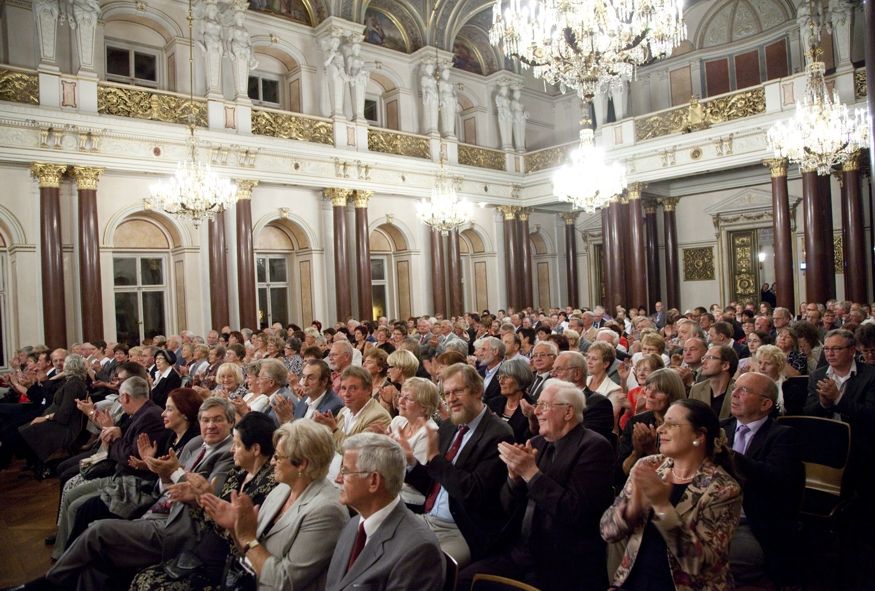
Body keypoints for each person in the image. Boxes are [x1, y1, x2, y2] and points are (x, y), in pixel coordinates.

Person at [36, 397, 236, 590]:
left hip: (181, 528)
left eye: (217, 420)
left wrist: (173, 472)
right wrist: (162, 472)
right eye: (205, 420)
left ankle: (49, 583)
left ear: (231, 422)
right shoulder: (195, 443)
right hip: (157, 510)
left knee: (98, 530)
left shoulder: (229, 453)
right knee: (94, 564)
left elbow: (208, 499)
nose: (210, 425)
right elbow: (163, 488)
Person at [459, 379, 614, 590]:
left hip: (562, 560)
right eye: (537, 404)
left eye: (544, 405)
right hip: (521, 551)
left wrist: (530, 473)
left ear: (568, 412)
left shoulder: (594, 447)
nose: (536, 411)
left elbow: (576, 511)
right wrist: (514, 478)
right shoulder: (538, 444)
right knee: (462, 580)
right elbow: (507, 506)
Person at [601, 399, 743, 591]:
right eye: (662, 423)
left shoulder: (724, 489)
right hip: (635, 582)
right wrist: (634, 506)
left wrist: (662, 506)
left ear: (699, 436)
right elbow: (608, 532)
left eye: (672, 424)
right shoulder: (649, 466)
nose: (660, 430)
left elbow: (699, 565)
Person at [130, 411, 278, 590]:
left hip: (228, 566)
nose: (232, 449)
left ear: (255, 449)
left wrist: (207, 498)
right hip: (203, 551)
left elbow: (242, 536)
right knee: (143, 577)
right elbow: (210, 519)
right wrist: (196, 499)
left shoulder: (268, 486)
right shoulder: (237, 474)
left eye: (237, 445)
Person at [403, 363, 513, 567]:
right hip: (427, 518)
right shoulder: (449, 427)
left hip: (461, 530)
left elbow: (472, 493)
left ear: (478, 391)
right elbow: (431, 485)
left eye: (458, 391)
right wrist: (410, 461)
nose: (451, 399)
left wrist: (435, 459)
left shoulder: (499, 433)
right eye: (447, 393)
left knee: (421, 568)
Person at [326, 433, 445, 591]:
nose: (338, 479)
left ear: (373, 481)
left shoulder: (418, 550)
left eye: (345, 472)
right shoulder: (353, 525)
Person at [724, 372, 804, 587]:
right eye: (735, 388)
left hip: (752, 523)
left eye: (744, 390)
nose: (735, 394)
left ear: (766, 403)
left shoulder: (783, 436)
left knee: (704, 558)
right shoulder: (722, 428)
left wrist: (728, 455)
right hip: (714, 516)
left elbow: (774, 478)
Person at [14, 353, 90, 475]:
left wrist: (45, 418)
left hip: (65, 427)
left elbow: (65, 413)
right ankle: (36, 465)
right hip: (60, 421)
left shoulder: (74, 384)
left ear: (69, 366)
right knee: (21, 430)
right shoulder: (71, 381)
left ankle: (41, 468)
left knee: (21, 433)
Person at [616, 368, 686, 488]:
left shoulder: (684, 427)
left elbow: (676, 477)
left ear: (673, 395)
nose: (649, 394)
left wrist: (650, 451)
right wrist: (636, 452)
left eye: (658, 391)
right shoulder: (636, 422)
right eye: (648, 388)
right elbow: (620, 475)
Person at [388, 377, 440, 509]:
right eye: (401, 396)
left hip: (409, 498)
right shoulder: (398, 421)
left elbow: (414, 478)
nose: (401, 401)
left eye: (408, 399)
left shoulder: (430, 433)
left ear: (424, 407)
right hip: (389, 489)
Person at [315, 366, 391, 451]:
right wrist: (323, 427)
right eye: (343, 388)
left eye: (352, 388)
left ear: (369, 390)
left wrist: (333, 429)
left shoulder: (379, 417)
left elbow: (356, 451)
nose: (346, 394)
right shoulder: (344, 410)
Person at [487, 357, 534, 444]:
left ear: (520, 378)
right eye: (499, 377)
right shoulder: (492, 403)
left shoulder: (531, 407)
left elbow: (528, 439)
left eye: (506, 377)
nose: (501, 381)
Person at [690, 345, 738, 420]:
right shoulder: (696, 389)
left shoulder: (738, 392)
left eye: (710, 358)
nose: (703, 362)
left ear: (725, 365)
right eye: (704, 358)